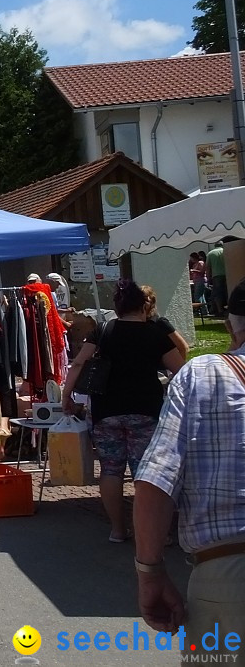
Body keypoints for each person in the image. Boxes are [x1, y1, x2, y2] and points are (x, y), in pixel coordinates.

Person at [132, 279, 245, 655]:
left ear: (231, 327)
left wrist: (149, 572)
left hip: (228, 576)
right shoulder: (162, 331)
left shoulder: (204, 375)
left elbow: (155, 481)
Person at [61, 279, 185, 543]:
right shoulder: (154, 333)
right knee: (146, 472)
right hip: (145, 409)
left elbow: (79, 363)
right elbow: (180, 368)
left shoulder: (103, 330)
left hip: (107, 410)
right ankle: (152, 533)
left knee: (111, 469)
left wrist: (66, 395)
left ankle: (118, 529)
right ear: (143, 306)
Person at [140, 284, 189, 360]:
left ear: (152, 302)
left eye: (145, 300)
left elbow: (183, 347)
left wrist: (179, 369)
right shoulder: (136, 323)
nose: (142, 304)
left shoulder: (160, 323)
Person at [206, 240, 228, 317]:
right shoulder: (225, 251)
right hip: (227, 274)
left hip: (216, 276)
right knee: (228, 292)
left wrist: (208, 278)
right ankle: (230, 309)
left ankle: (220, 310)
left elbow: (208, 267)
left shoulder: (210, 253)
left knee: (218, 293)